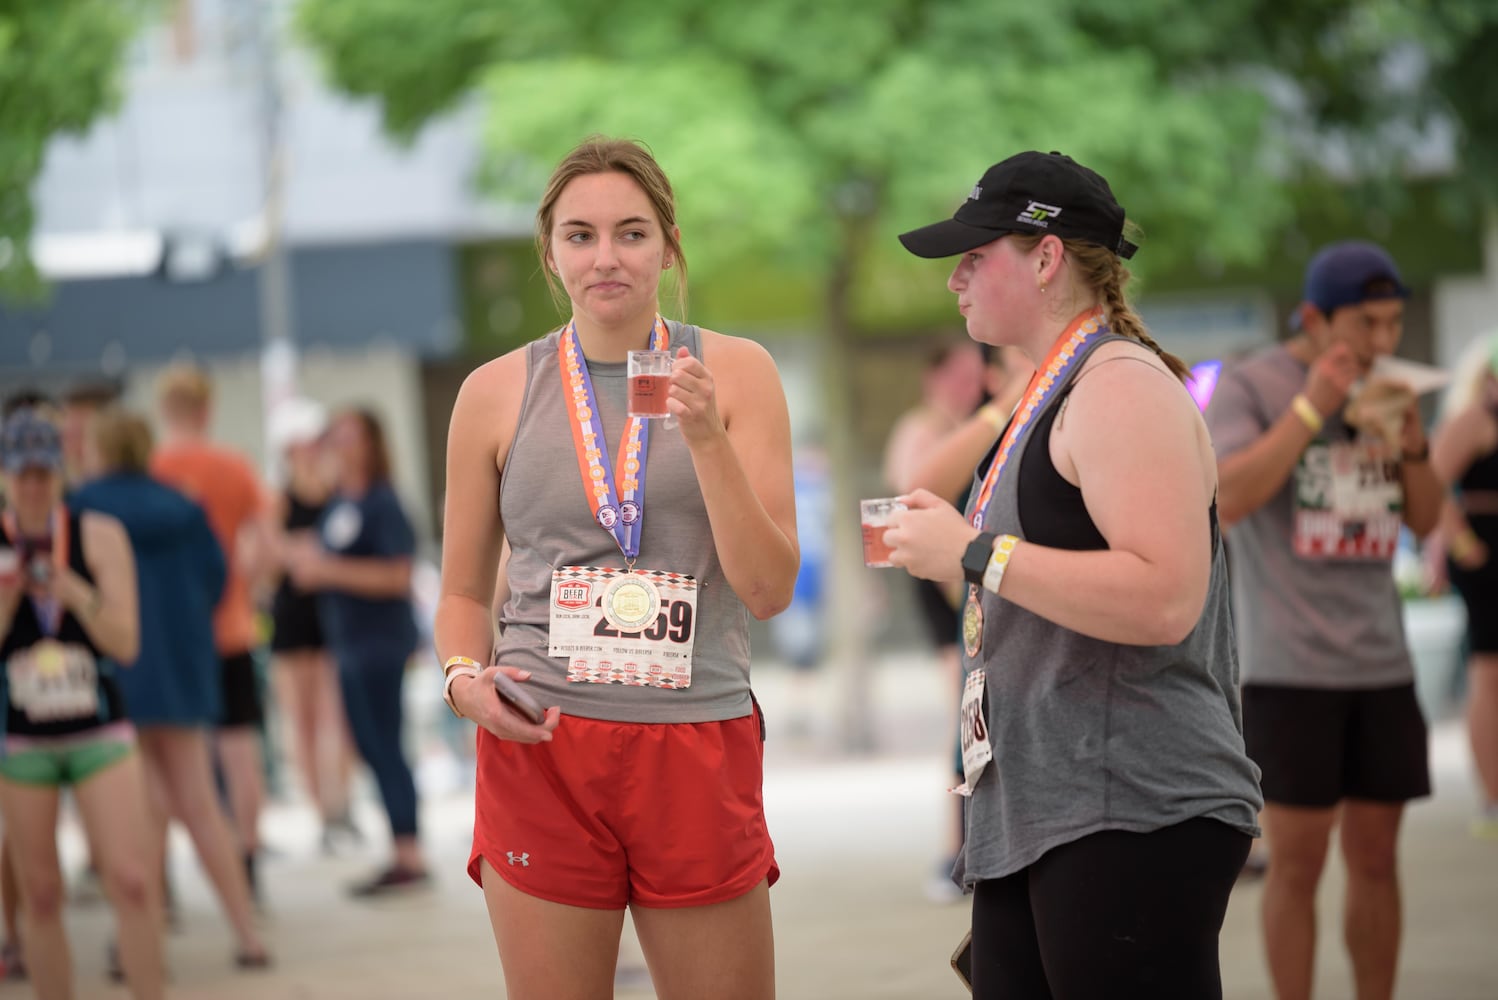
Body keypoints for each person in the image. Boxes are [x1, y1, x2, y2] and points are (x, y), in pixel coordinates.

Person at [884, 150, 1262, 999]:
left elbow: (1165, 596)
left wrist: (976, 555)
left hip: (1128, 804)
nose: (956, 280)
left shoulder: (1119, 384)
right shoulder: (1050, 393)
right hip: (1053, 809)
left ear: (1046, 258)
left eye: (975, 256)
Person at [435, 136, 797, 1000]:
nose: (607, 257)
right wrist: (461, 682)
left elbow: (770, 589)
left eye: (632, 234)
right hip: (542, 741)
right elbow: (457, 592)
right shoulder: (493, 390)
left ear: (669, 247)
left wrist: (705, 437)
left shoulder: (738, 372)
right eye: (581, 235)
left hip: (694, 737)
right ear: (551, 254)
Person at [1206, 240, 1442, 1000]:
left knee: (1377, 859)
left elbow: (1429, 519)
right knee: (1298, 866)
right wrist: (1313, 406)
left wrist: (1411, 448)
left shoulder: (1393, 384)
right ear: (1313, 317)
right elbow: (1228, 499)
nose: (1381, 342)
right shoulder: (1252, 387)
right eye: (1364, 324)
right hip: (1288, 668)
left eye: (1393, 323)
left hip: (1381, 663)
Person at [71, 406, 271, 969]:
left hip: (116, 670)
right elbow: (217, 577)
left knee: (136, 812)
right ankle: (246, 935)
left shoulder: (83, 508)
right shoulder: (184, 505)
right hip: (184, 664)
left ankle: (138, 940)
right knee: (201, 804)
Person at [0, 408, 166, 999]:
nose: (34, 486)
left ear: (61, 471)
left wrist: (71, 589)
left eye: (44, 472)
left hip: (99, 728)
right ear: (5, 476)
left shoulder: (96, 533)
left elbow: (126, 641)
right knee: (40, 894)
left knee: (132, 880)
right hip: (23, 739)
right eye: (22, 474)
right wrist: (11, 591)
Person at [285, 407, 428, 896]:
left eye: (351, 437)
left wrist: (326, 572)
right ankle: (401, 848)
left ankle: (410, 853)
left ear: (372, 444)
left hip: (379, 644)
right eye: (336, 437)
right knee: (370, 746)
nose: (341, 446)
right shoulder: (339, 503)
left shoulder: (383, 504)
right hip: (346, 643)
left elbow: (397, 575)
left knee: (387, 744)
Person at [150, 363, 277, 900]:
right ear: (207, 409)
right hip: (230, 630)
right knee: (239, 751)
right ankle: (245, 859)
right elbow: (265, 546)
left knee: (168, 762)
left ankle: (167, 877)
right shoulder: (234, 467)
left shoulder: (150, 471)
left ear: (164, 410)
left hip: (168, 638)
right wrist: (244, 585)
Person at [265, 398, 359, 852]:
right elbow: (268, 554)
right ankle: (322, 812)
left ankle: (341, 806)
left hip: (332, 614)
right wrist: (304, 551)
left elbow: (344, 548)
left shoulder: (336, 493)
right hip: (291, 618)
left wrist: (305, 552)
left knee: (335, 720)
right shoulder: (277, 499)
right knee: (299, 722)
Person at [1430, 333, 1498, 840]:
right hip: (1486, 557)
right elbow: (1431, 481)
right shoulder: (1475, 418)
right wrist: (1462, 543)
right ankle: (1493, 797)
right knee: (1489, 674)